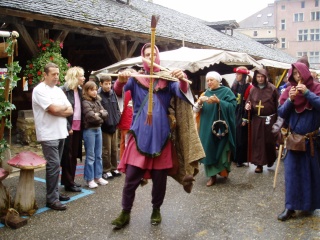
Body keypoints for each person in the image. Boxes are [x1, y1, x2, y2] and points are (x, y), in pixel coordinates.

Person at [111, 43, 196, 229]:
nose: (150, 57)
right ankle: (125, 213)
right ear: (142, 57)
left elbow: (182, 93)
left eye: (153, 54)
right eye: (147, 54)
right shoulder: (135, 78)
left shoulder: (168, 79)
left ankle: (156, 209)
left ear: (158, 57)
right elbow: (117, 91)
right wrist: (120, 80)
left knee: (160, 181)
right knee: (131, 179)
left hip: (161, 138)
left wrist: (182, 78)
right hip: (139, 136)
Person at [277, 62, 320, 221]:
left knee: (309, 174)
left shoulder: (316, 89)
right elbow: (281, 112)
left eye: (300, 73)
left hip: (311, 141)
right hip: (294, 140)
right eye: (295, 74)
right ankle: (290, 208)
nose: (298, 77)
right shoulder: (289, 90)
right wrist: (290, 100)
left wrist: (308, 93)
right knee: (292, 174)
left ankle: (309, 205)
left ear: (306, 73)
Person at [32, 62, 73, 211]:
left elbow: (70, 109)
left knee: (56, 165)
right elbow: (53, 108)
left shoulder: (58, 90)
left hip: (61, 131)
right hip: (48, 133)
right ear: (45, 74)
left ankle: (54, 194)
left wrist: (56, 110)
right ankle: (51, 199)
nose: (57, 77)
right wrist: (57, 109)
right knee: (53, 165)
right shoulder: (39, 90)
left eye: (57, 74)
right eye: (53, 74)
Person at [193, 71, 236, 186]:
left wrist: (219, 102)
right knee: (209, 149)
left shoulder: (227, 91)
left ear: (218, 80)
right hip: (206, 127)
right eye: (207, 80)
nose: (209, 82)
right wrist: (200, 102)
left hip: (222, 126)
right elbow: (195, 110)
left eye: (211, 80)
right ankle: (212, 177)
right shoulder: (205, 93)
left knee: (222, 148)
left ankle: (223, 171)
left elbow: (233, 106)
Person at [245, 69, 279, 173]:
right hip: (257, 119)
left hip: (270, 119)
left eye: (262, 77)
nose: (260, 79)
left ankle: (270, 159)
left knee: (269, 141)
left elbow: (277, 105)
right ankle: (258, 164)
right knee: (257, 141)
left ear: (265, 77)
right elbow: (248, 101)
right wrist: (247, 106)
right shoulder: (252, 89)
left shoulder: (272, 89)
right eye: (258, 77)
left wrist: (278, 120)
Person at [60, 66, 85, 193]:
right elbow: (62, 112)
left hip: (78, 126)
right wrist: (67, 127)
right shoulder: (63, 90)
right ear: (75, 77)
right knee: (67, 156)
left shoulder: (80, 90)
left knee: (74, 155)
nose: (83, 78)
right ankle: (68, 182)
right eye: (81, 76)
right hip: (69, 127)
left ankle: (71, 181)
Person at [82, 81, 109, 188]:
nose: (94, 92)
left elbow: (105, 113)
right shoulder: (85, 102)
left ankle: (98, 176)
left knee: (98, 154)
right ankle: (90, 179)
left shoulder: (97, 101)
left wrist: (98, 114)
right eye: (91, 90)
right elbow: (91, 117)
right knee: (91, 155)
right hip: (89, 130)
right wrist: (100, 114)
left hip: (98, 129)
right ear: (87, 90)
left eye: (95, 89)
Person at [98, 74, 122, 180]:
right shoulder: (98, 95)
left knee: (114, 149)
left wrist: (117, 119)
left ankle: (114, 168)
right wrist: (105, 122)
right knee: (106, 150)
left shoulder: (113, 94)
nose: (108, 86)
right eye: (106, 84)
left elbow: (117, 108)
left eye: (109, 84)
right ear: (101, 84)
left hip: (114, 125)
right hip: (105, 127)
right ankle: (106, 170)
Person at [231, 66, 252, 167]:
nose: (236, 76)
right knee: (234, 136)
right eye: (236, 74)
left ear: (243, 76)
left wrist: (245, 118)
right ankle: (234, 158)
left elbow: (248, 102)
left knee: (241, 138)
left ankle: (240, 159)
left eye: (238, 74)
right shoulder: (235, 86)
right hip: (235, 113)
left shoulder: (249, 87)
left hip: (243, 113)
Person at [118, 90, 133, 160]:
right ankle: (126, 161)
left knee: (123, 142)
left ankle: (123, 161)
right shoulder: (129, 91)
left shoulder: (125, 90)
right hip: (128, 121)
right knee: (127, 144)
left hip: (125, 121)